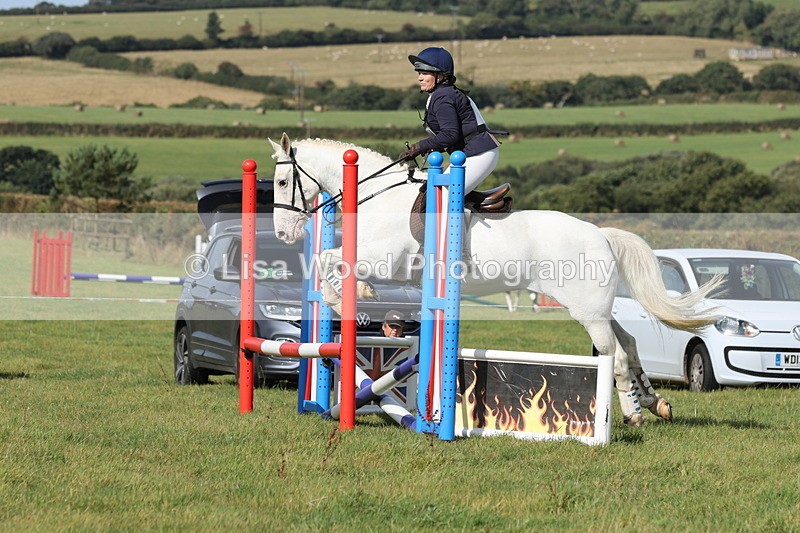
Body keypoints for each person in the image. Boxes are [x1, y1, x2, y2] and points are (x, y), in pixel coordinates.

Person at [400, 46, 503, 194]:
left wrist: (420, 146)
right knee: (433, 192)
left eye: (424, 73)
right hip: (471, 153)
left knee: (442, 196)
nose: (419, 77)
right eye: (419, 73)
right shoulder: (443, 94)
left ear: (440, 76)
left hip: (478, 154)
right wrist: (430, 147)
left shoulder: (443, 97)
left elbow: (450, 135)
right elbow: (456, 134)